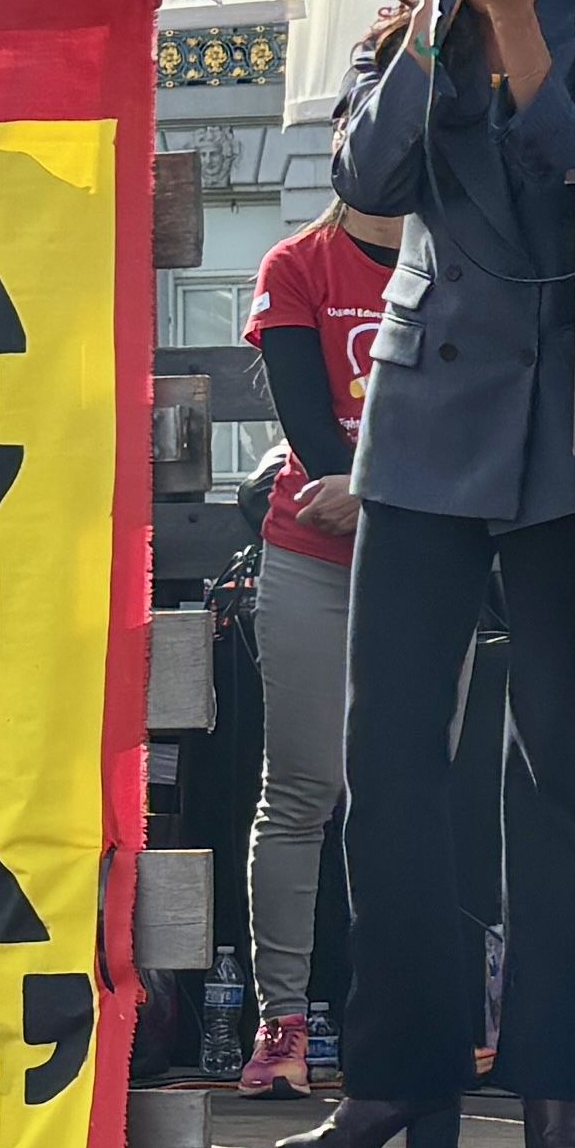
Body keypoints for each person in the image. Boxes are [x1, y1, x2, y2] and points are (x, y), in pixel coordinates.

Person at [282, 0, 575, 1148]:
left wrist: (516, 23)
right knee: (389, 763)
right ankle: (399, 1074)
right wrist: (434, 20)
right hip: (428, 417)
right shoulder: (403, 33)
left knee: (558, 766)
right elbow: (365, 182)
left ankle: (560, 1075)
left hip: (570, 420)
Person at [228, 202, 402, 1097]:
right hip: (310, 555)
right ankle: (282, 1021)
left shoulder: (466, 252)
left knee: (411, 794)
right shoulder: (299, 262)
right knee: (299, 789)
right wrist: (368, 487)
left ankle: (406, 1020)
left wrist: (371, 493)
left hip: (420, 553)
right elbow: (306, 422)